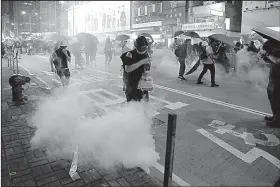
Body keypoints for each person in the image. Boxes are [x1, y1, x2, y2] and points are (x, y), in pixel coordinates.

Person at [120, 35, 151, 102]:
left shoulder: (146, 54)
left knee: (144, 104)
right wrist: (142, 61)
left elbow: (147, 69)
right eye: (140, 48)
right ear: (136, 46)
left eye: (144, 48)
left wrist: (147, 75)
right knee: (133, 105)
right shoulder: (130, 54)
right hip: (131, 84)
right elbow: (127, 69)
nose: (142, 50)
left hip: (142, 84)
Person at [260, 39, 280, 128]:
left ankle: (278, 121)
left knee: (276, 99)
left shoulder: (277, 51)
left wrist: (267, 55)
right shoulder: (273, 52)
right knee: (272, 98)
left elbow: (277, 61)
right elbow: (271, 63)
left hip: (278, 80)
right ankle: (275, 116)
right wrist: (265, 57)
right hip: (273, 78)